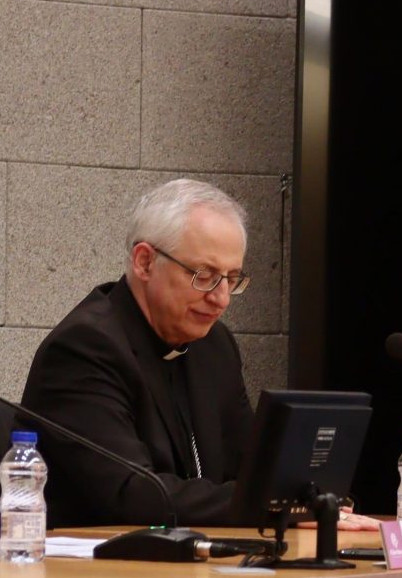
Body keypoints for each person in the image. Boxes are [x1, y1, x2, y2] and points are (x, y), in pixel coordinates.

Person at [16, 179, 254, 527]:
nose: (221, 298)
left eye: (231, 279)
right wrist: (270, 505)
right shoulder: (84, 349)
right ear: (145, 262)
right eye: (204, 275)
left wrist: (307, 501)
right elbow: (133, 495)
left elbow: (253, 466)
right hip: (93, 569)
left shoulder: (214, 346)